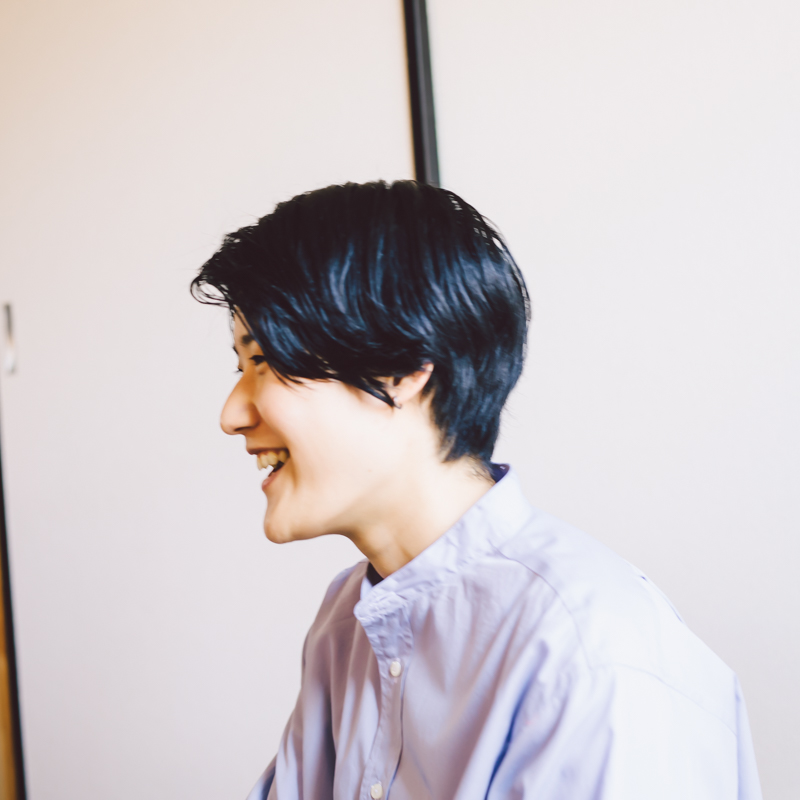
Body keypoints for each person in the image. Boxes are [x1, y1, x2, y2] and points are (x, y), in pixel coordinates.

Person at [191, 180, 762, 800]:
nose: (232, 414)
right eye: (240, 366)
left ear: (399, 369)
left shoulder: (586, 653)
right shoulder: (344, 622)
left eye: (264, 361)